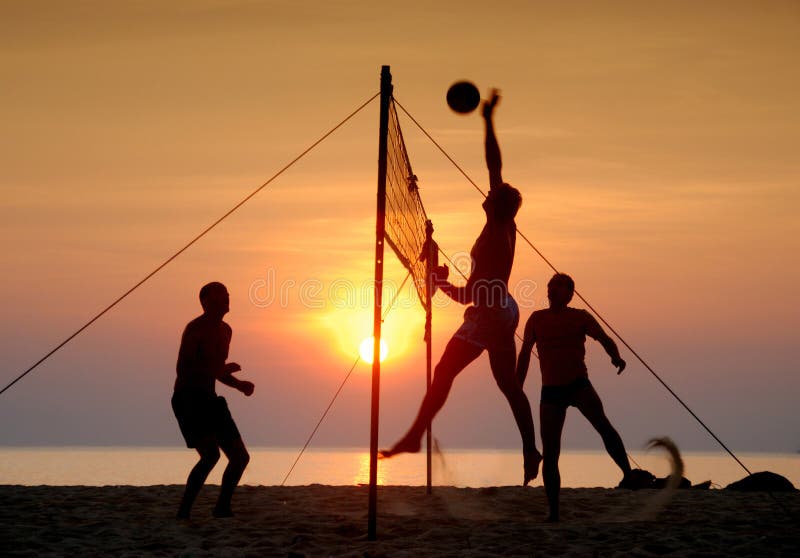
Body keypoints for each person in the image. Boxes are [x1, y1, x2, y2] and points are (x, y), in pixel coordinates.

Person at [381, 90, 542, 485]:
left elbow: (470, 295)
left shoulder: (491, 242)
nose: (485, 194)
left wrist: (440, 283)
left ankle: (415, 437)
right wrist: (487, 120)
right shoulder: (504, 221)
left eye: (490, 195)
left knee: (445, 370)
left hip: (489, 312)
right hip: (502, 308)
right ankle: (530, 448)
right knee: (507, 386)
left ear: (494, 204)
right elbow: (495, 166)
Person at [516, 273, 632, 522]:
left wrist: (615, 356)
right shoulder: (537, 319)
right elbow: (525, 352)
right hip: (551, 392)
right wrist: (517, 384)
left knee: (605, 428)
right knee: (551, 451)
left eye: (558, 286)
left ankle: (628, 474)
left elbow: (603, 338)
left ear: (570, 293)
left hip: (579, 385)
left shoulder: (580, 317)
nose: (551, 289)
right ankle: (554, 512)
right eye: (549, 286)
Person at [171, 281, 254, 519]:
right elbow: (184, 370)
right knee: (210, 456)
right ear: (205, 301)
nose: (225, 300)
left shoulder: (227, 330)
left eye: (227, 295)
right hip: (188, 399)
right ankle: (183, 512)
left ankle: (222, 507)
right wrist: (219, 368)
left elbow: (217, 371)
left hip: (210, 398)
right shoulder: (195, 329)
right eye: (219, 296)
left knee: (240, 458)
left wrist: (240, 385)